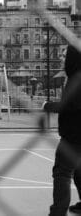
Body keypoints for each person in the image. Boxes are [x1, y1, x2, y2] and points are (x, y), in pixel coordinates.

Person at [43, 44, 81, 216]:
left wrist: (47, 105)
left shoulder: (76, 79)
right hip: (75, 135)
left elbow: (68, 106)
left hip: (74, 136)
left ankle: (58, 212)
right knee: (78, 171)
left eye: (65, 55)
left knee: (62, 173)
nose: (62, 58)